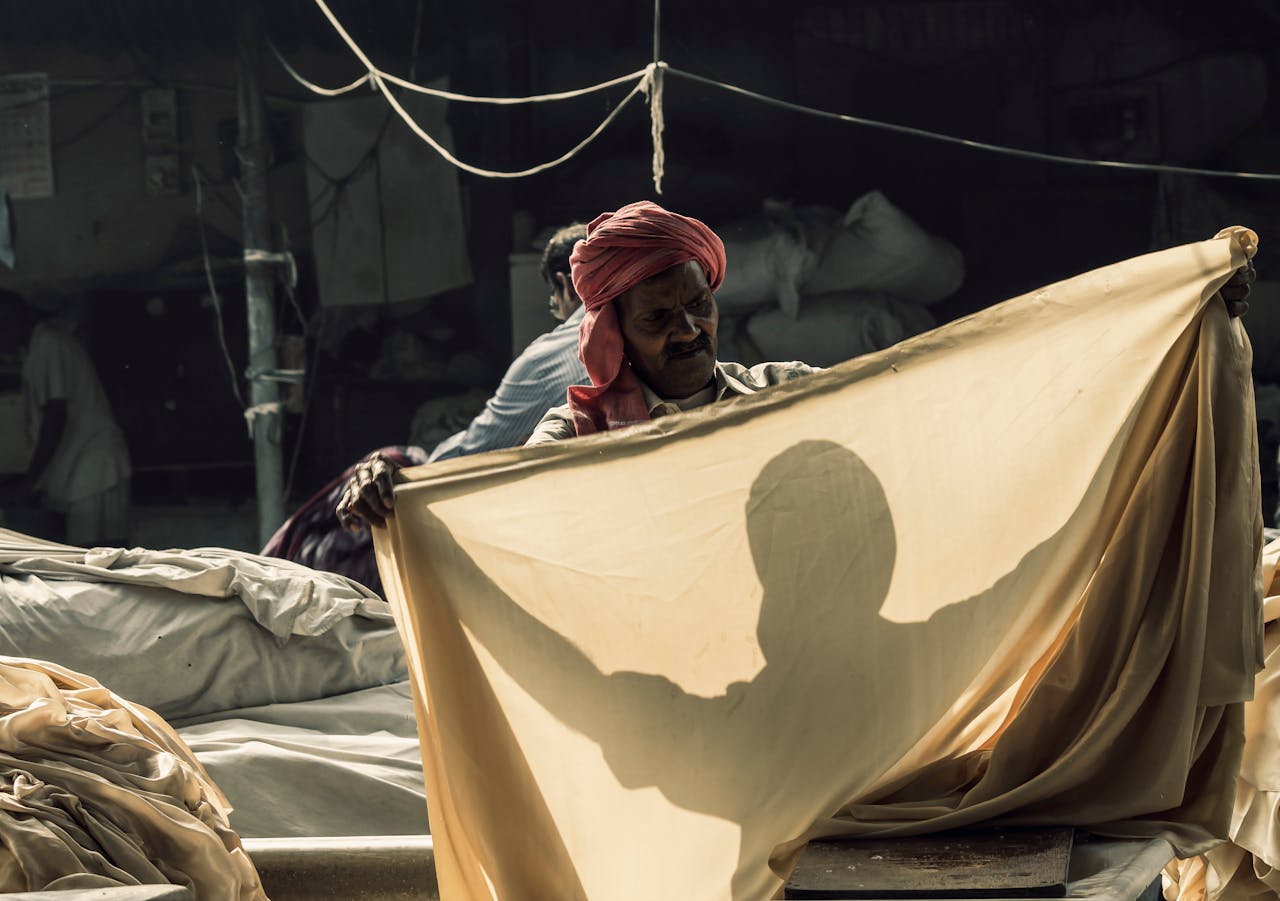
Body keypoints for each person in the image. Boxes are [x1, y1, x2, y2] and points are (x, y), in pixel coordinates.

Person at [337, 201, 1258, 528]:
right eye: (660, 319)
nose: (692, 330)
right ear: (609, 329)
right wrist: (398, 484)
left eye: (699, 305)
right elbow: (496, 498)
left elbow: (938, 402)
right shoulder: (572, 435)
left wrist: (1159, 322)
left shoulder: (777, 396)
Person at [272, 223, 591, 586]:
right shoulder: (634, 351)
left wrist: (409, 473)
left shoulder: (559, 352)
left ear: (567, 285)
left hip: (509, 512)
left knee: (372, 489)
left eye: (555, 300)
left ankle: (279, 563)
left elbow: (474, 449)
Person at [0, 290, 131, 546]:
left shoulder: (49, 343)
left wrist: (29, 482)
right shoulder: (36, 349)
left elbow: (55, 417)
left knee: (99, 561)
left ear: (14, 322)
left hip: (95, 471)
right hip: (83, 471)